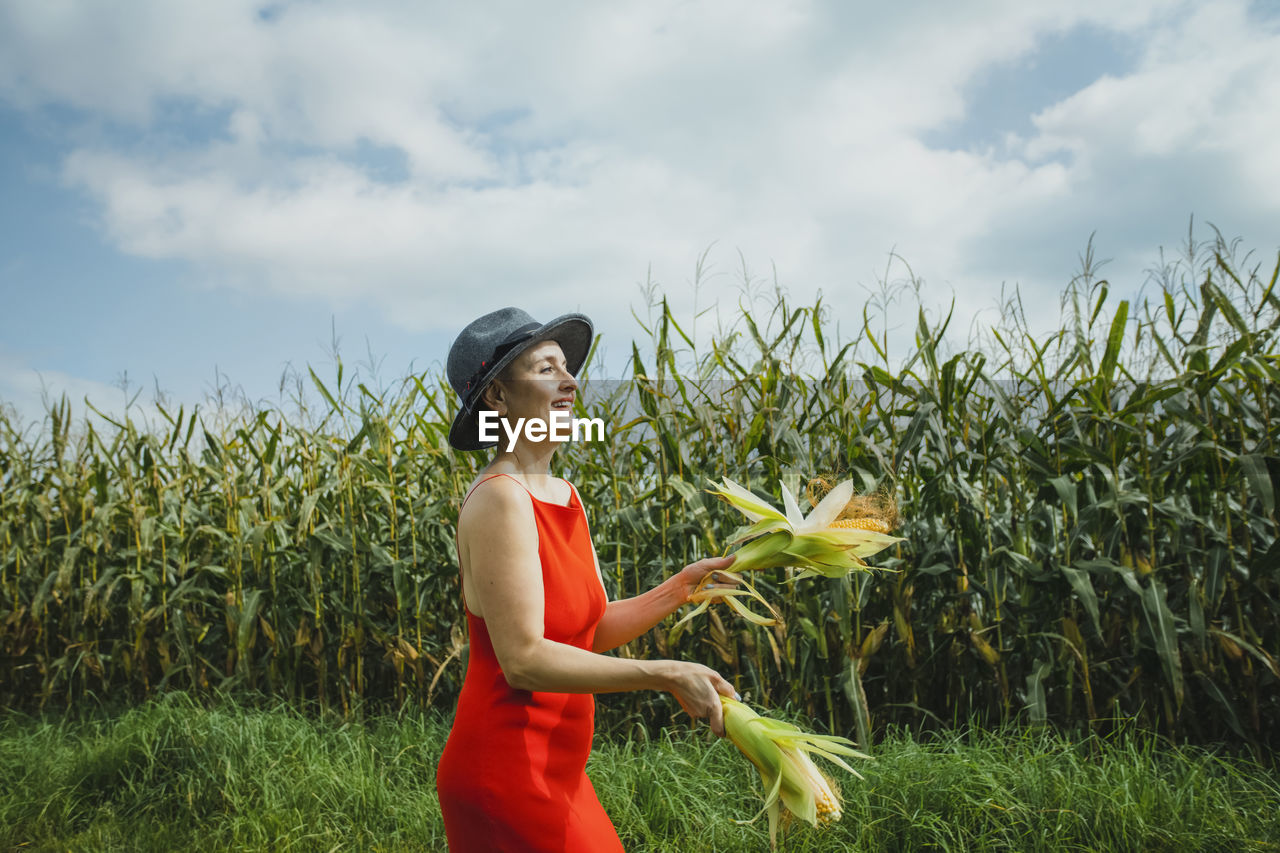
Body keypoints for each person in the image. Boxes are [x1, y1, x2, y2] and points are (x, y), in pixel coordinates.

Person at [434, 307, 739, 852]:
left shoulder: (564, 494)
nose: (571, 381)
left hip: (561, 771)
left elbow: (588, 631)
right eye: (546, 369)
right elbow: (524, 660)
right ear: (497, 398)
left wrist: (680, 587)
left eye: (567, 367)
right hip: (506, 770)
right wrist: (664, 673)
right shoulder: (502, 498)